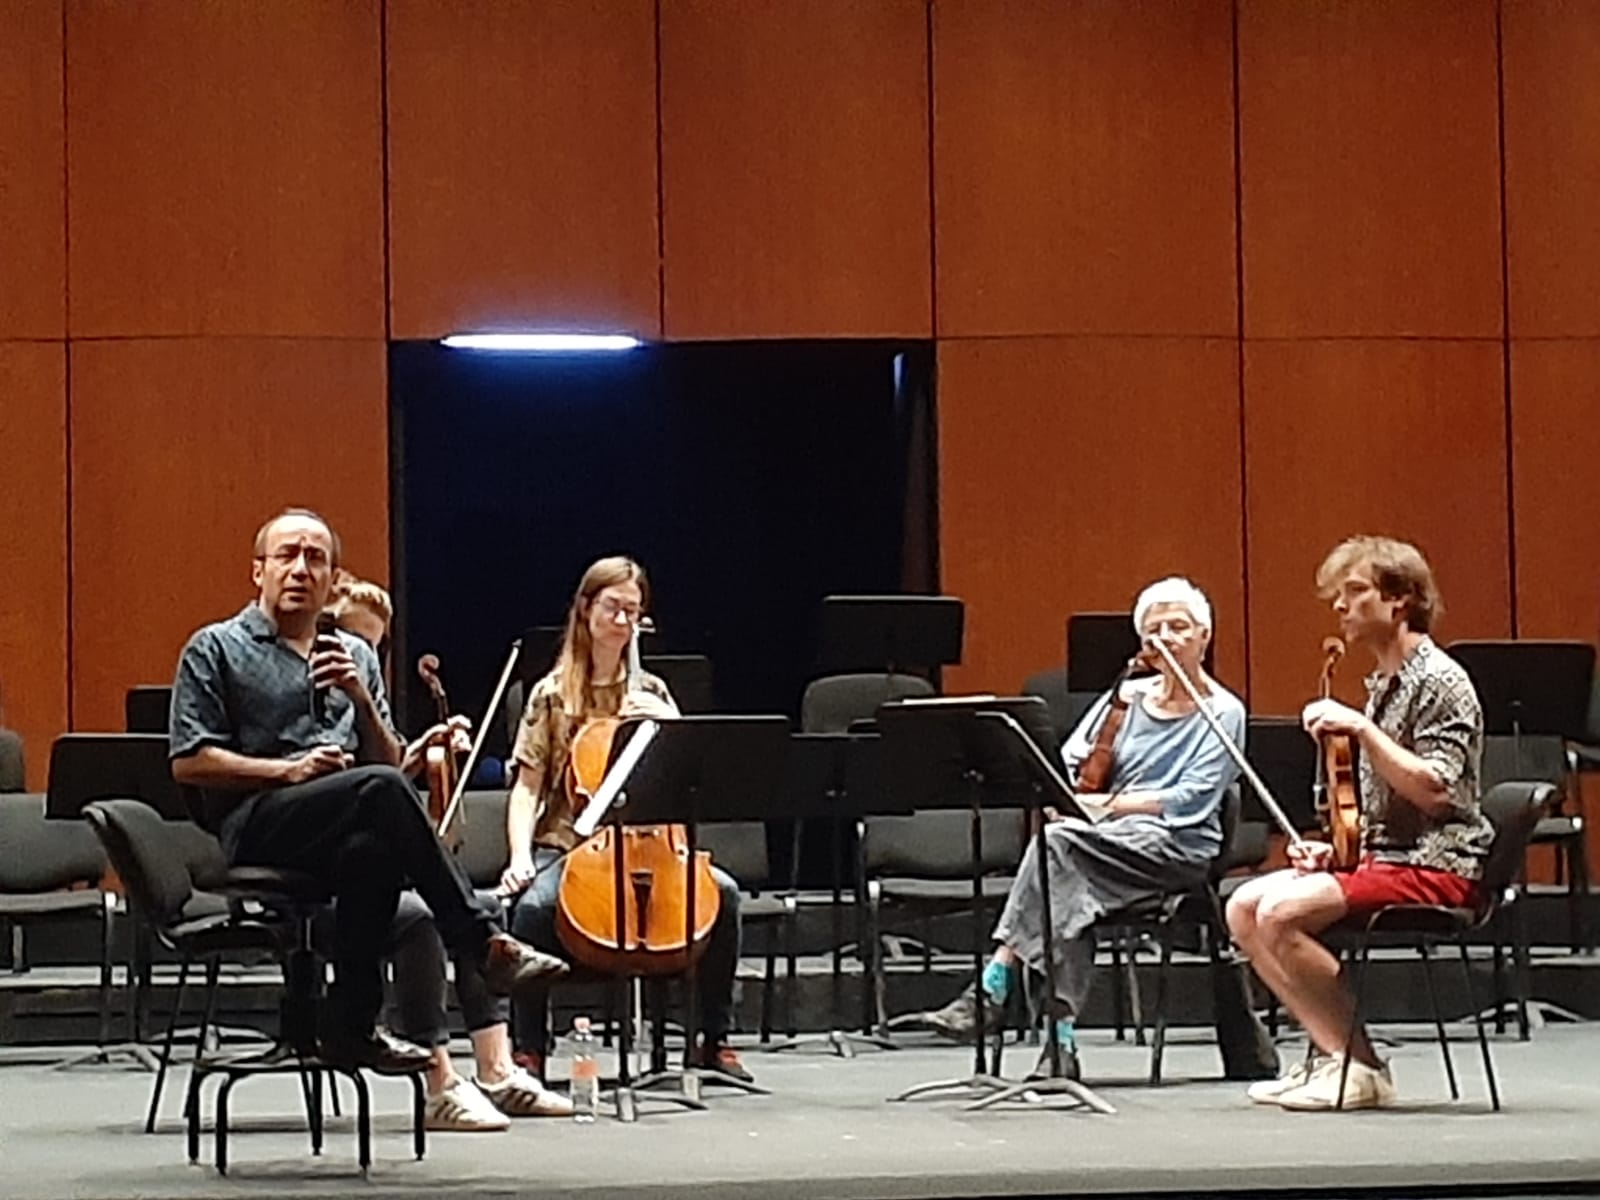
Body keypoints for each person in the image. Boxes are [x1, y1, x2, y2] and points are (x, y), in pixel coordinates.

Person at [168, 507, 568, 1078]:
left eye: (315, 559)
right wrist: (288, 772)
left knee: (373, 850)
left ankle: (352, 1026)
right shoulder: (216, 647)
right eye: (287, 555)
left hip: (343, 819)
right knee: (378, 794)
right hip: (258, 821)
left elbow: (390, 765)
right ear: (259, 570)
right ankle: (479, 941)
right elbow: (189, 760)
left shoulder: (355, 655)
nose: (300, 569)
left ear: (332, 578)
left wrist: (360, 698)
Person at [924, 578, 1248, 1080]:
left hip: (1175, 847)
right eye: (1155, 628)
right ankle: (1059, 1046)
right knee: (1067, 889)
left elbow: (1191, 802)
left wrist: (1104, 807)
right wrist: (1073, 799)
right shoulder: (1126, 697)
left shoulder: (1224, 710)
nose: (1166, 636)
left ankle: (996, 981)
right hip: (1102, 845)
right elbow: (1072, 756)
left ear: (1204, 636)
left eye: (1179, 627)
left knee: (1058, 850)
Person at [1226, 536, 1491, 1111]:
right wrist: (1334, 852)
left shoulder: (1441, 681)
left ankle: (1361, 1067)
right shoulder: (1384, 685)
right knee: (1243, 907)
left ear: (1399, 600)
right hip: (1390, 858)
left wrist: (1362, 731)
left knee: (1281, 913)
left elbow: (1438, 792)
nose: (1340, 606)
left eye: (1354, 592)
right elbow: (1381, 806)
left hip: (1439, 863)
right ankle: (1332, 1055)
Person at [326, 576, 571, 1129]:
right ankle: (439, 1084)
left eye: (373, 647)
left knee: (479, 904)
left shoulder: (362, 684)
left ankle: (497, 1070)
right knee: (427, 917)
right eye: (350, 638)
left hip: (375, 847)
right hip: (336, 860)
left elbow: (386, 770)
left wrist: (421, 749)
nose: (361, 653)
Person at [500, 555, 752, 1083]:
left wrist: (669, 725)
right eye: (613, 608)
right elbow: (527, 786)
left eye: (632, 612)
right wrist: (520, 856)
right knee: (532, 910)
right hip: (570, 844)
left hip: (654, 844)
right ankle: (528, 1049)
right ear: (586, 609)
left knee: (724, 896)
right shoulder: (551, 694)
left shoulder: (652, 692)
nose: (622, 621)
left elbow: (687, 774)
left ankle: (713, 1039)